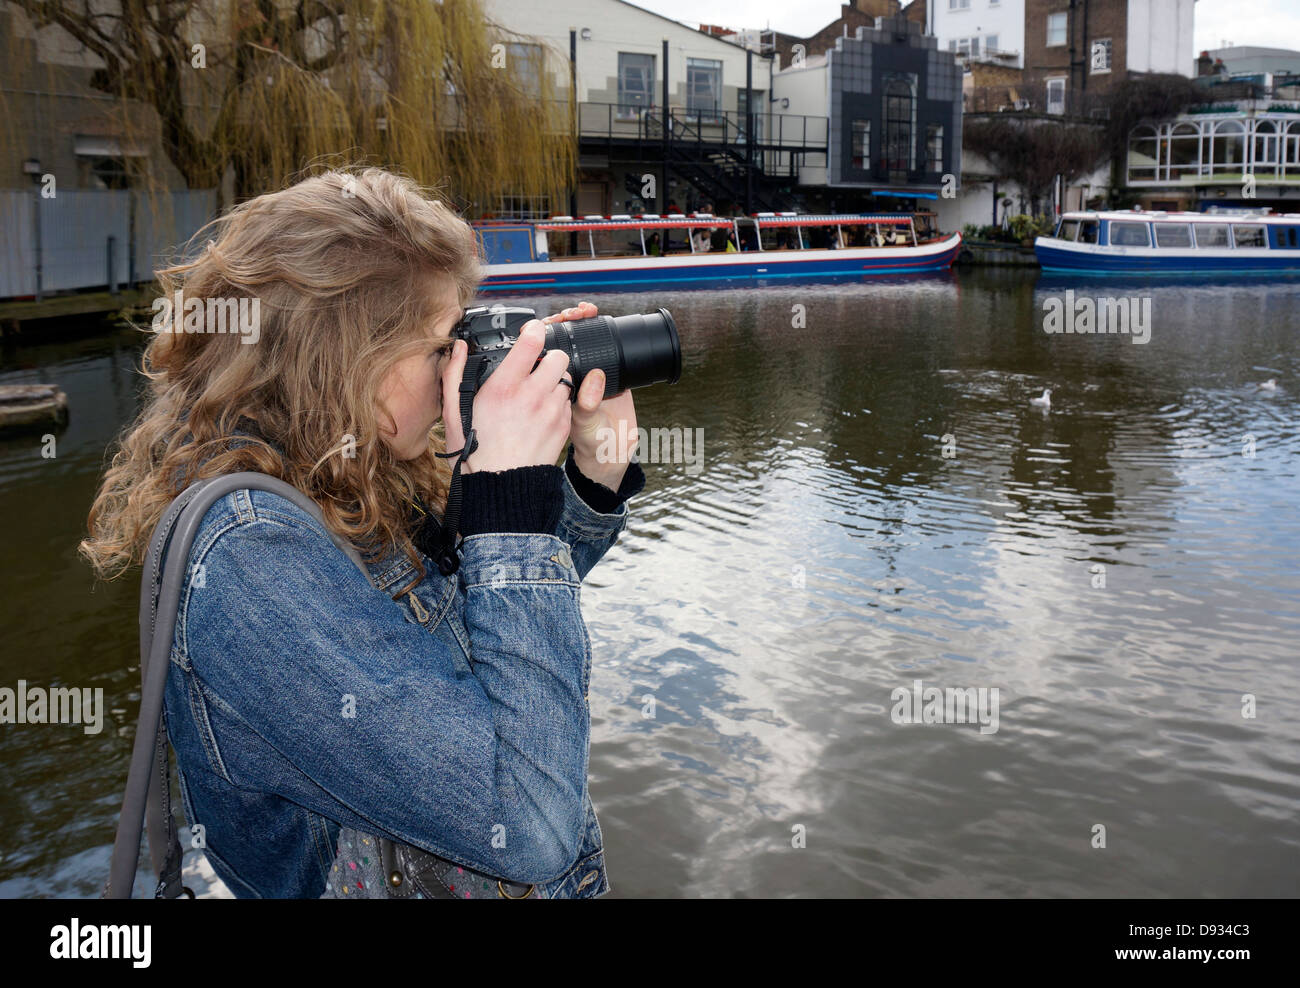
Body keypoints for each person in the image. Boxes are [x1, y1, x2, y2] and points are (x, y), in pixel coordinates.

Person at [79, 167, 645, 899]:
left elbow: (498, 631)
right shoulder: (250, 559)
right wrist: (505, 498)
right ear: (349, 357)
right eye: (445, 344)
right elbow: (530, 823)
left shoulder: (354, 470)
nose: (462, 367)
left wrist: (589, 476)